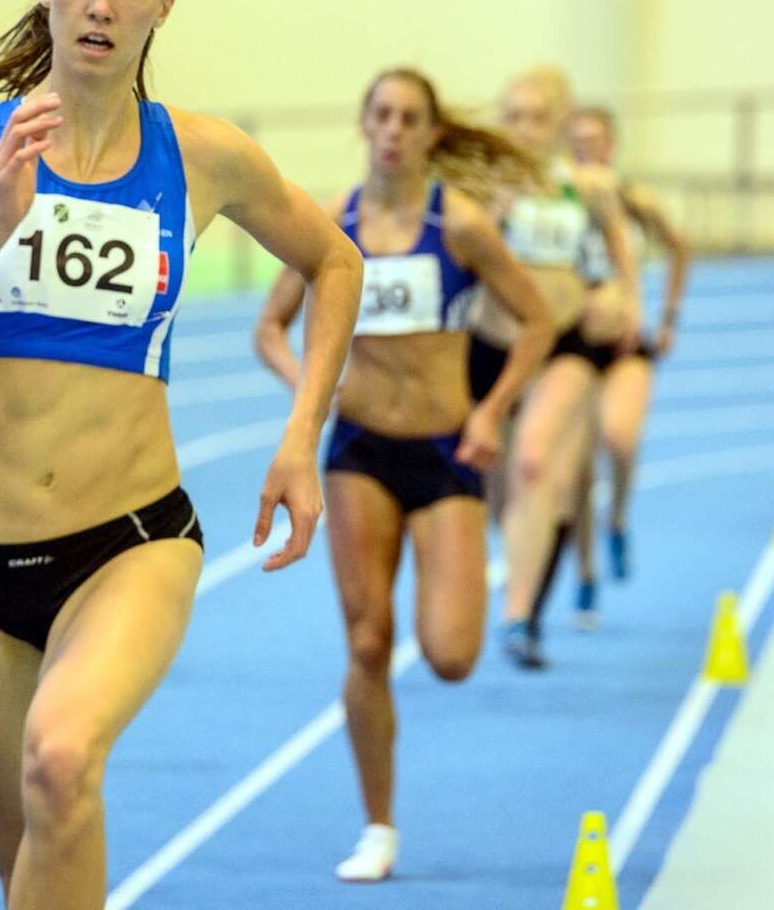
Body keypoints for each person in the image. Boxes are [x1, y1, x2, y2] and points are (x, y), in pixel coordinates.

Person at [0, 0, 362, 909]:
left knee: (62, 760)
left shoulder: (201, 156)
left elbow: (335, 261)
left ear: (166, 3)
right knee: (31, 868)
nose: (101, 5)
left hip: (127, 541)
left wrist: (302, 434)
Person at [255, 69, 553, 883]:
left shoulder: (457, 225)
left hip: (445, 451)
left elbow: (536, 320)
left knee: (451, 654)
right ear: (363, 124)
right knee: (366, 640)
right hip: (359, 452)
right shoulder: (334, 223)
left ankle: (383, 811)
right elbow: (270, 327)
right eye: (380, 114)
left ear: (430, 134)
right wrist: (310, 391)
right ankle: (378, 826)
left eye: (408, 118)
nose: (392, 129)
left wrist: (492, 412)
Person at [437, 66, 638, 669]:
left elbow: (620, 251)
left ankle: (517, 615)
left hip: (565, 341)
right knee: (499, 484)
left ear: (561, 124)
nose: (525, 128)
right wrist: (491, 217)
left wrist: (624, 299)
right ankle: (530, 569)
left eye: (538, 117)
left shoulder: (585, 186)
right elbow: (449, 254)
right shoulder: (476, 189)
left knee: (533, 460)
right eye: (514, 116)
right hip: (492, 345)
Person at [554, 106, 690, 624]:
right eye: (577, 141)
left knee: (620, 438)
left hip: (625, 342)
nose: (587, 150)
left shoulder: (635, 199)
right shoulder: (556, 203)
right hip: (574, 342)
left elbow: (679, 248)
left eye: (596, 141)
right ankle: (586, 575)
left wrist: (667, 317)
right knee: (578, 470)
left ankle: (617, 518)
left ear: (613, 146)